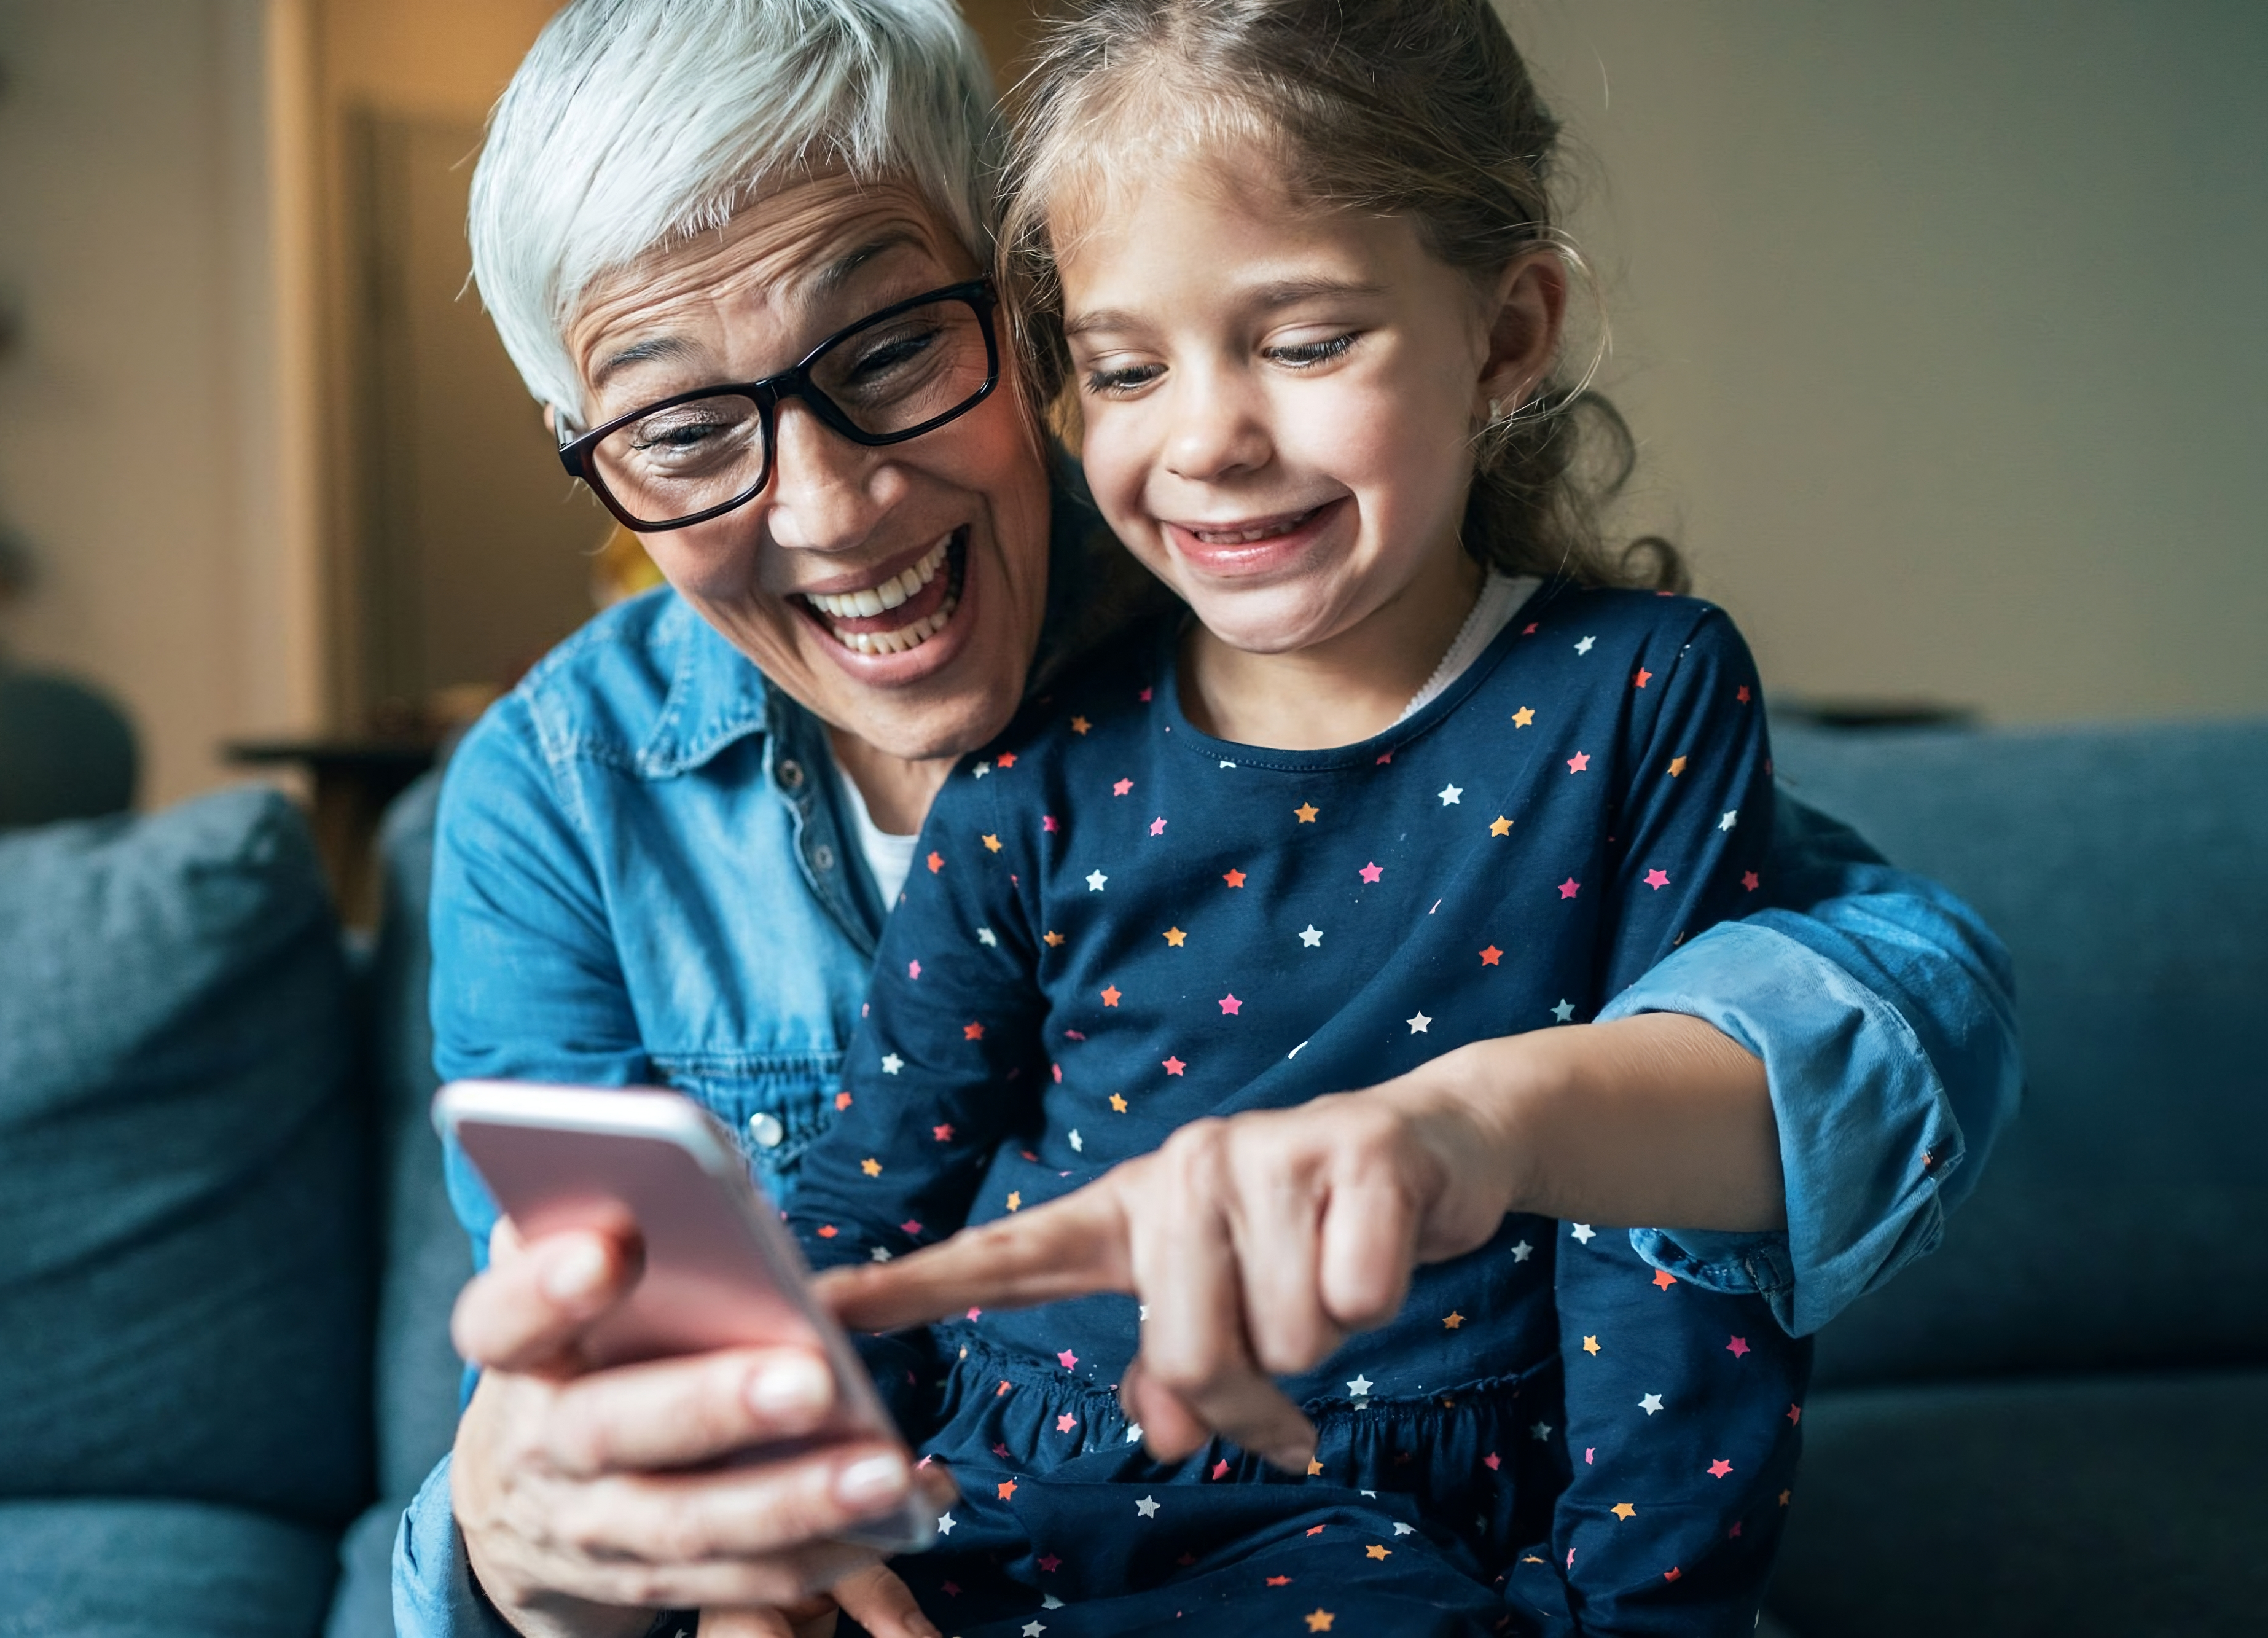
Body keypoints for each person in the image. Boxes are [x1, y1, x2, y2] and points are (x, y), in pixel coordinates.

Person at [395, 2, 2017, 1634]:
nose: (829, 510)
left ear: (1013, 316)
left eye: (887, 349)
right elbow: (637, 1380)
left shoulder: (1359, 622)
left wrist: (1503, 1122)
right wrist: (676, 1550)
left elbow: (1877, 999)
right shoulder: (566, 798)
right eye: (682, 431)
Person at [782, 2, 1818, 1630]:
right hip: (1023, 1491)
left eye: (1305, 339)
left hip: (1421, 1532)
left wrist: (1629, 1612)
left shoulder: (1637, 698)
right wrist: (773, 1527)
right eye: (1127, 369)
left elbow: (1677, 1247)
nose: (1205, 437)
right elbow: (863, 1199)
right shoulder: (1039, 764)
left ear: (1507, 332)